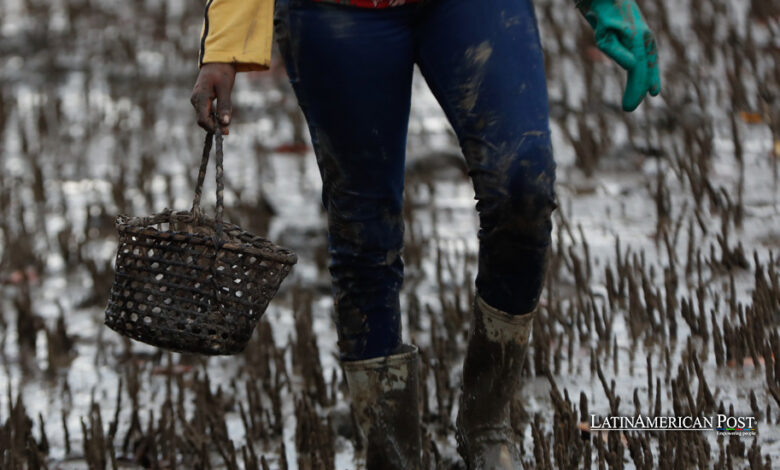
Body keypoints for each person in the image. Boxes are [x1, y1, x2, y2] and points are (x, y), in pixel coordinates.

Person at [190, 0, 660, 468]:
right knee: (363, 232)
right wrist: (223, 48)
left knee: (523, 182)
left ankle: (487, 423)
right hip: (335, 12)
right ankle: (388, 454)